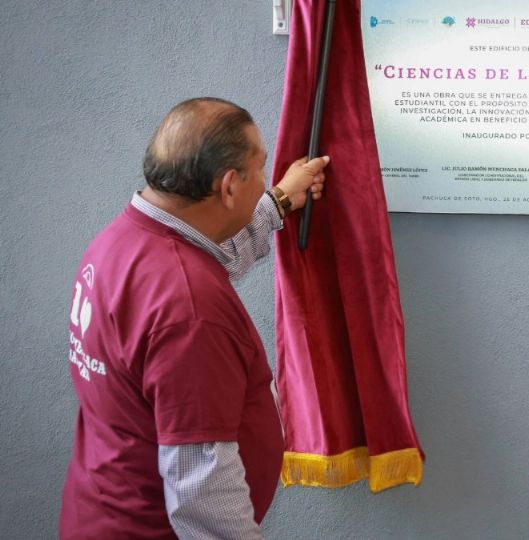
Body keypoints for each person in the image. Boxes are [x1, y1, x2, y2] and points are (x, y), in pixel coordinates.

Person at [61, 97, 329, 539]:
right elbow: (203, 495)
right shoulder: (191, 309)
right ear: (228, 187)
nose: (264, 179)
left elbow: (203, 259)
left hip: (101, 509)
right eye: (260, 169)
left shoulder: (122, 242)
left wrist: (277, 200)